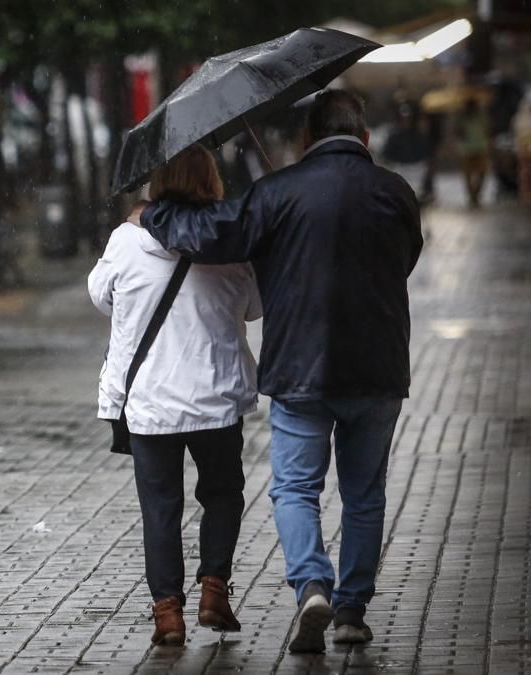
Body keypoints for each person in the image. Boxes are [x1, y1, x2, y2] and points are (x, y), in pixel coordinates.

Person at [136, 90, 422, 653]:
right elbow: (404, 259)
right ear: (363, 139)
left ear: (305, 140)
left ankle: (312, 583)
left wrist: (156, 212)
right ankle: (351, 611)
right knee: (365, 494)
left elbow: (212, 235)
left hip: (299, 368)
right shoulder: (396, 193)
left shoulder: (277, 192)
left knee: (295, 488)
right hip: (377, 367)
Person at [89, 146, 262, 647]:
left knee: (161, 508)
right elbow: (253, 307)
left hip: (151, 403)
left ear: (156, 183)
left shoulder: (126, 239)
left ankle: (168, 612)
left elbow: (101, 295)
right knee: (223, 495)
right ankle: (213, 589)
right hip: (215, 397)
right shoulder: (228, 240)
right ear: (210, 181)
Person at [456, 98, 490, 207]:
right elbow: (457, 132)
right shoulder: (461, 118)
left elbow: (488, 129)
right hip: (466, 150)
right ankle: (472, 196)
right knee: (468, 175)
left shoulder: (481, 116)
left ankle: (476, 193)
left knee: (482, 172)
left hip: (480, 148)